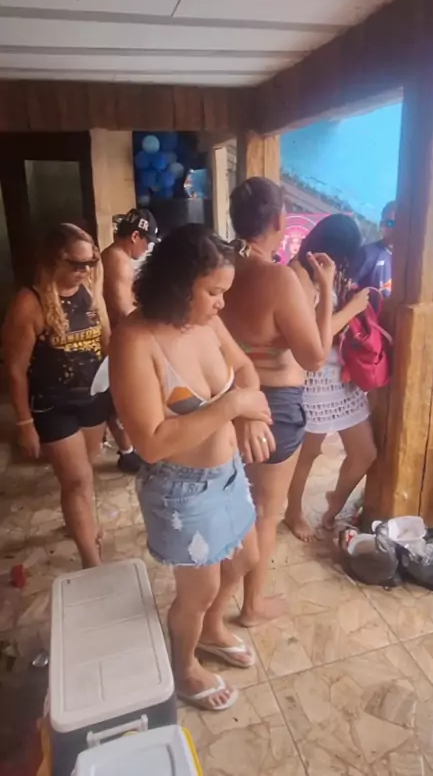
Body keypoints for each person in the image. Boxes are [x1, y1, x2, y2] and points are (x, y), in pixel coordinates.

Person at [108, 223, 272, 712]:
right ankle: (183, 668)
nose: (222, 303)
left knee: (244, 558)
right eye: (214, 292)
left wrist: (246, 412)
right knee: (198, 591)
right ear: (179, 287)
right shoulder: (135, 340)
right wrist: (234, 405)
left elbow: (245, 369)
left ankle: (212, 630)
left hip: (228, 472)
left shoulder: (204, 322)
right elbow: (151, 443)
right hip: (180, 489)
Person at [221, 177, 335, 625]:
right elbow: (314, 357)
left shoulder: (220, 266)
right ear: (279, 221)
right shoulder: (279, 278)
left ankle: (216, 597)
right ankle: (251, 606)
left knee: (234, 502)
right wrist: (326, 293)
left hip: (230, 401)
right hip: (276, 409)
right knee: (265, 514)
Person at [2, 224, 111, 568]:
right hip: (53, 405)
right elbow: (15, 369)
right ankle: (91, 562)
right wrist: (25, 424)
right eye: (76, 264)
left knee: (83, 474)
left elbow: (107, 341)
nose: (85, 270)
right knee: (77, 480)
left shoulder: (91, 290)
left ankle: (77, 521)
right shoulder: (29, 303)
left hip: (93, 397)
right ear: (52, 261)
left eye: (90, 262)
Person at [287, 213, 377, 538]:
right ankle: (293, 512)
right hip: (314, 379)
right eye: (344, 256)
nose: (344, 264)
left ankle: (334, 504)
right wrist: (351, 309)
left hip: (341, 376)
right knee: (307, 455)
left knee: (365, 452)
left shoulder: (326, 270)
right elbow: (314, 340)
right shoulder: (297, 275)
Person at [101, 208, 159, 473]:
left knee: (114, 399)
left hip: (112, 337)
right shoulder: (119, 259)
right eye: (147, 242)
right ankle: (129, 452)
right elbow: (123, 309)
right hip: (114, 339)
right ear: (135, 236)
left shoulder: (113, 256)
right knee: (121, 398)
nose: (147, 248)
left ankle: (128, 451)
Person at [353, 201, 397, 296]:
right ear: (382, 225)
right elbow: (348, 289)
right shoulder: (367, 254)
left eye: (401, 224)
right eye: (390, 223)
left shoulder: (410, 264)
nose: (396, 229)